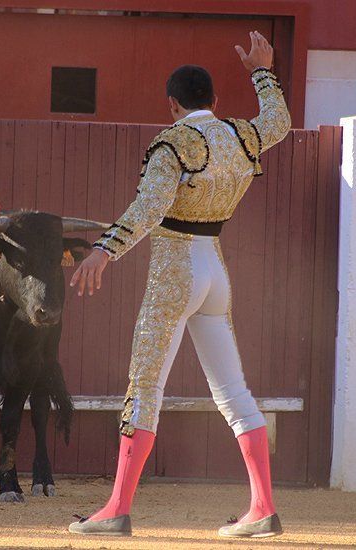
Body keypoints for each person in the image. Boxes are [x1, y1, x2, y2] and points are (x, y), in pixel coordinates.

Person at [67, 31, 290, 538]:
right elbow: (278, 121)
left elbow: (148, 209)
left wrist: (105, 249)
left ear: (171, 105)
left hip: (174, 271)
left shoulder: (172, 143)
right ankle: (262, 507)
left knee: (145, 387)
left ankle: (117, 509)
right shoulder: (240, 136)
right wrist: (262, 70)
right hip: (215, 270)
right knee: (234, 390)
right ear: (214, 101)